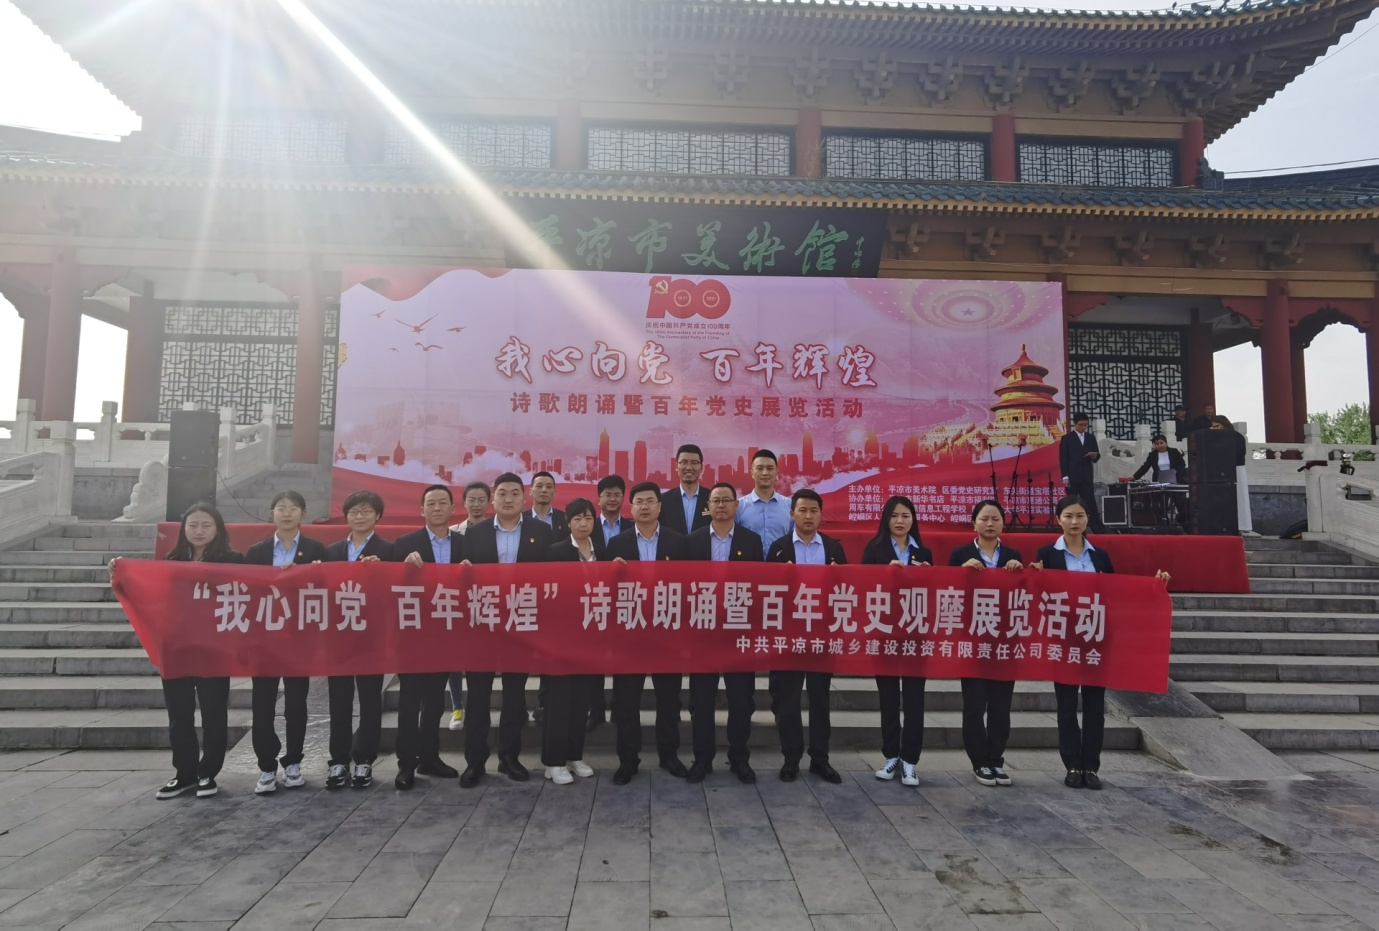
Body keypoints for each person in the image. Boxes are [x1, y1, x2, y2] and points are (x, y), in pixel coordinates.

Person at [1032, 495, 1170, 791]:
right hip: (1064, 639)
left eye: (1080, 516)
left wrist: (1154, 586)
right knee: (1067, 705)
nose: (1074, 521)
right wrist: (1034, 578)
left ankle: (1091, 767)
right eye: (1068, 516)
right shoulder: (1047, 554)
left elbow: (1117, 594)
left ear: (1087, 519)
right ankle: (1072, 765)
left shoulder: (1100, 556)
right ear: (1058, 520)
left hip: (1096, 638)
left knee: (1095, 706)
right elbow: (1037, 593)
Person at [117, 503, 242, 800]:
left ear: (218, 529)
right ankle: (184, 774)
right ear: (183, 529)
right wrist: (122, 573)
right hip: (176, 648)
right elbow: (153, 596)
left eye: (206, 525)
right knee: (179, 714)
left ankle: (208, 773)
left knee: (213, 713)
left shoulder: (233, 560)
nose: (199, 531)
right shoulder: (170, 561)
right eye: (193, 525)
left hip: (213, 649)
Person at [460, 473, 553, 787]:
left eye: (515, 493)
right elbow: (460, 578)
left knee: (515, 695)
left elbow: (551, 576)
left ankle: (509, 757)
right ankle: (475, 762)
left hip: (521, 623)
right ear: (493, 499)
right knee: (478, 696)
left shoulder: (541, 532)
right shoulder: (475, 533)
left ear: (525, 498)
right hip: (483, 624)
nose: (509, 498)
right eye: (502, 493)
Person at [607, 481, 690, 784]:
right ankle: (628, 760)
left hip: (666, 633)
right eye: (639, 501)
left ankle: (669, 755)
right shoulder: (616, 544)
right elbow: (606, 592)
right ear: (631, 508)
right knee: (627, 701)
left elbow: (687, 587)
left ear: (659, 506)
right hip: (630, 635)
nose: (644, 506)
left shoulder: (678, 542)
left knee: (668, 699)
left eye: (650, 501)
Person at [244, 490, 326, 795]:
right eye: (280, 508)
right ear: (272, 513)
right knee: (262, 706)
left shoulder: (316, 549)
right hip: (265, 640)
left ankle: (293, 762)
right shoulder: (257, 551)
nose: (287, 513)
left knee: (296, 705)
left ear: (303, 513)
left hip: (299, 639)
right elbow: (246, 591)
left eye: (293, 508)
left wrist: (310, 573)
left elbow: (328, 588)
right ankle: (266, 766)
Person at [685, 483, 765, 784]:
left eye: (726, 500)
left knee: (740, 700)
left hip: (738, 630)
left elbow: (758, 586)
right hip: (703, 630)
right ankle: (702, 759)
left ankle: (739, 758)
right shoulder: (692, 541)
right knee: (702, 701)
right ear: (708, 506)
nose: (721, 505)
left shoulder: (751, 541)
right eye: (715, 500)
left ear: (736, 506)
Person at [766, 488, 847, 784]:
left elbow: (846, 592)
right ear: (792, 514)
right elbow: (767, 594)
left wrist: (838, 577)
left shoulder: (833, 548)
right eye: (802, 510)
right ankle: (791, 758)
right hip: (789, 635)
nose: (808, 516)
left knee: (819, 699)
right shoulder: (778, 548)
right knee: (788, 700)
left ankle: (820, 759)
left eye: (814, 511)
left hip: (821, 636)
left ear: (821, 515)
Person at [390, 484, 464, 789]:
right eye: (431, 503)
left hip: (446, 633)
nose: (436, 508)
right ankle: (406, 764)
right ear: (421, 510)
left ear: (452, 509)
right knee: (410, 702)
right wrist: (404, 567)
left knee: (434, 701)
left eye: (442, 503)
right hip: (413, 634)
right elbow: (389, 586)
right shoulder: (405, 544)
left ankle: (430, 758)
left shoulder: (464, 544)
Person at [949, 499, 1024, 788]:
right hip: (973, 641)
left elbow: (1023, 596)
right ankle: (979, 761)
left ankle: (996, 759)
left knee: (1001, 706)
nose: (990, 524)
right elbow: (947, 593)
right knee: (974, 704)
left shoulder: (1013, 555)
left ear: (1003, 523)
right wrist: (961, 572)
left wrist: (1020, 573)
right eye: (984, 519)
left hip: (1005, 642)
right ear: (974, 523)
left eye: (995, 519)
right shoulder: (960, 554)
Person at [323, 490, 394, 789]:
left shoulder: (389, 550)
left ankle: (364, 760)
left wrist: (381, 572)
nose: (359, 516)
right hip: (338, 638)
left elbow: (396, 591)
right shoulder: (331, 551)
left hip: (371, 638)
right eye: (354, 512)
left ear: (377, 516)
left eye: (366, 511)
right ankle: (338, 761)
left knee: (369, 701)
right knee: (338, 702)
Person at [861, 496, 932, 788]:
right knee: (888, 696)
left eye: (906, 515)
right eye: (894, 515)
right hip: (885, 632)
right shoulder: (874, 549)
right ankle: (891, 755)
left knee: (915, 698)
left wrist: (927, 576)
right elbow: (862, 587)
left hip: (915, 633)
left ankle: (910, 759)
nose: (900, 521)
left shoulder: (922, 551)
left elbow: (933, 593)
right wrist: (884, 574)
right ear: (886, 519)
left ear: (913, 519)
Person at [540, 497, 605, 784]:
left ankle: (574, 755)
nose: (583, 523)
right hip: (561, 638)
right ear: (568, 523)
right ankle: (553, 762)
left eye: (588, 518)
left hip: (590, 638)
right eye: (577, 518)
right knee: (559, 701)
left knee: (581, 700)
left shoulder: (602, 551)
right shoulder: (555, 552)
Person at [446, 480, 491, 730]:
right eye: (471, 500)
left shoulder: (495, 531)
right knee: (454, 657)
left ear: (489, 502)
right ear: (463, 503)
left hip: (487, 602)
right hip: (457, 602)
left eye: (481, 500)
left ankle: (478, 708)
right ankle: (457, 706)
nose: (476, 504)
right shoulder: (453, 532)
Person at [591, 475, 632, 730]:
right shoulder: (587, 525)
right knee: (594, 658)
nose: (613, 499)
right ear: (599, 499)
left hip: (625, 602)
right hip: (594, 601)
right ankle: (595, 710)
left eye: (617, 494)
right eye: (608, 494)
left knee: (622, 658)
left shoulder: (633, 527)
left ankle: (619, 709)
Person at [736, 449, 792, 548]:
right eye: (760, 468)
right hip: (749, 558)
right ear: (752, 473)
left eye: (770, 468)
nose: (765, 473)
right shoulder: (739, 507)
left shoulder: (790, 506)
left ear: (776, 473)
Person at [1058, 412, 1104, 534]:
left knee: (1090, 502)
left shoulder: (1090, 437)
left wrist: (1094, 456)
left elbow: (1096, 456)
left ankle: (1097, 528)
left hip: (1086, 476)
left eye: (1085, 425)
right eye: (1081, 425)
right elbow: (1063, 459)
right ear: (1075, 424)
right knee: (1072, 503)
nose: (1083, 427)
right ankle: (1072, 527)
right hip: (1072, 476)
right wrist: (1065, 476)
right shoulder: (1067, 438)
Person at [1211, 415, 1254, 534]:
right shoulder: (1215, 438)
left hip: (1236, 468)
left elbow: (1236, 453)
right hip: (1220, 470)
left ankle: (1243, 524)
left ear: (1224, 425)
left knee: (1240, 497)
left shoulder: (1236, 437)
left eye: (1217, 426)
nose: (1215, 429)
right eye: (1213, 427)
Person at [659, 444, 711, 535]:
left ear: (701, 467)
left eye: (694, 463)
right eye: (684, 462)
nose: (689, 467)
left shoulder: (712, 498)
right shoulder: (663, 500)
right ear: (676, 466)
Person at [527, 470, 568, 537]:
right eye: (539, 486)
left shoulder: (565, 519)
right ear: (531, 491)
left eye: (548, 487)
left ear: (554, 492)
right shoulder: (521, 519)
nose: (544, 490)